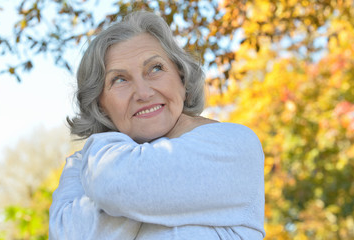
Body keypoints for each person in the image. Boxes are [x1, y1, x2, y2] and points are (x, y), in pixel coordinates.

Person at [49, 11, 265, 239]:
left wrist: (105, 187)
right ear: (99, 105)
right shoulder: (80, 164)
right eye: (119, 79)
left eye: (155, 68)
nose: (143, 93)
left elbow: (112, 183)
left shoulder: (233, 145)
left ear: (182, 78)